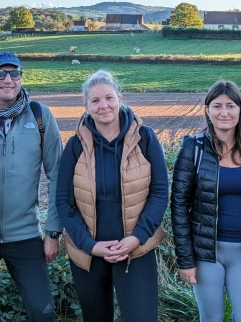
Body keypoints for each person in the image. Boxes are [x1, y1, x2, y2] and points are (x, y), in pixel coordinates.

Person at [55, 70, 169, 321]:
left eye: (108, 98)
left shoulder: (145, 138)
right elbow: (64, 201)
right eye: (95, 101)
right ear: (85, 105)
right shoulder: (75, 145)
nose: (103, 105)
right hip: (89, 252)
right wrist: (90, 245)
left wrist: (137, 238)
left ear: (120, 98)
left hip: (135, 250)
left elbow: (160, 192)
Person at [0, 51, 63, 321]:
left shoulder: (41, 117)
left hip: (26, 234)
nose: (8, 79)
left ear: (21, 77)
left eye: (14, 73)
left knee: (42, 313)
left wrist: (53, 232)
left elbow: (58, 175)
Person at [171, 80, 241, 322]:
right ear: (208, 111)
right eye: (217, 106)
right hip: (207, 253)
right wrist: (186, 260)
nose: (224, 112)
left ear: (240, 110)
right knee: (212, 318)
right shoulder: (193, 148)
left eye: (230, 106)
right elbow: (179, 206)